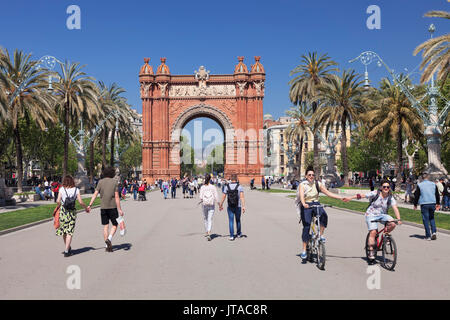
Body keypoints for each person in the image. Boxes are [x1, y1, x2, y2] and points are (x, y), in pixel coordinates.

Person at [344, 179, 402, 262]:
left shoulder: (390, 197)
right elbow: (362, 195)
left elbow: (395, 208)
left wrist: (399, 219)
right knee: (373, 232)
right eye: (384, 186)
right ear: (381, 187)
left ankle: (386, 234)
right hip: (371, 215)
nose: (386, 188)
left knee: (393, 224)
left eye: (388, 187)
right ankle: (371, 250)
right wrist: (350, 198)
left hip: (382, 215)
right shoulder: (375, 193)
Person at [296, 166, 348, 260]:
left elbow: (328, 193)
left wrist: (340, 197)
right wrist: (304, 204)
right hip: (306, 205)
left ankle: (320, 234)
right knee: (306, 227)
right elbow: (301, 196)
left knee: (324, 216)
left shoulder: (318, 184)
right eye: (309, 175)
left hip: (315, 203)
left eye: (313, 175)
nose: (311, 176)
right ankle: (304, 249)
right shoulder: (302, 185)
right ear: (306, 176)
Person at [87, 167, 124, 252]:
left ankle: (106, 244)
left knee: (105, 226)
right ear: (112, 173)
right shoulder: (115, 182)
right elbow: (117, 197)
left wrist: (90, 205)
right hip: (113, 207)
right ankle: (109, 239)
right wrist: (120, 209)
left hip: (103, 207)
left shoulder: (100, 182)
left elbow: (95, 194)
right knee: (115, 224)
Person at [55, 175, 90, 257]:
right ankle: (67, 250)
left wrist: (59, 205)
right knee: (70, 232)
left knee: (64, 231)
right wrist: (86, 208)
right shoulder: (76, 190)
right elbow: (81, 202)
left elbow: (58, 200)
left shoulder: (62, 189)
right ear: (72, 181)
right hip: (72, 213)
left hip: (63, 212)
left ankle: (67, 247)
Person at [413, 173, 440, 240]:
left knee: (425, 219)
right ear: (428, 177)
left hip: (424, 203)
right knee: (432, 218)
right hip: (432, 202)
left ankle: (428, 235)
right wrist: (438, 203)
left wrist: (415, 204)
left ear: (422, 178)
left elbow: (417, 195)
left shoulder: (420, 185)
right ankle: (434, 232)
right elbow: (437, 194)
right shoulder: (433, 184)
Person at [219, 174, 246, 241]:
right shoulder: (240, 187)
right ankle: (239, 234)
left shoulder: (227, 187)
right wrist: (243, 206)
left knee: (231, 221)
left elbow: (223, 197)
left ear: (230, 179)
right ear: (236, 179)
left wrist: (221, 204)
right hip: (238, 206)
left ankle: (231, 236)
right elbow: (242, 197)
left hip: (230, 206)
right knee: (238, 220)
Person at [199, 174, 219, 241]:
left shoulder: (202, 187)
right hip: (211, 204)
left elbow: (201, 197)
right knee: (210, 219)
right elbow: (216, 196)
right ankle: (209, 232)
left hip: (204, 205)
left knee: (205, 218)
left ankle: (207, 231)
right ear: (210, 179)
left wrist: (203, 199)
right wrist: (219, 204)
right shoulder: (213, 187)